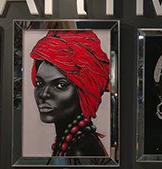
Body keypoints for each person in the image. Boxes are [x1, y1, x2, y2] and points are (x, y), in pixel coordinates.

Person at [30, 30, 109, 158]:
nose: (43, 94)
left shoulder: (81, 149)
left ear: (83, 91)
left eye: (60, 85)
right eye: (39, 83)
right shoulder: (71, 143)